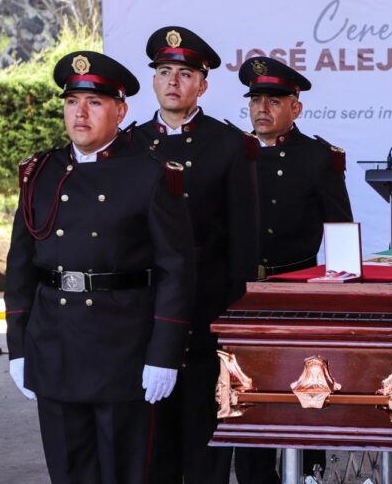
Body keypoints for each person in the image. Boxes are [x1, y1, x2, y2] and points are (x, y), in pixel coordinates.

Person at [4, 50, 195, 484]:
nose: (80, 113)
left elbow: (176, 270)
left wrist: (164, 355)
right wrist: (18, 346)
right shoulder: (41, 172)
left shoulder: (150, 174)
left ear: (120, 109)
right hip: (55, 348)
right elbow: (20, 268)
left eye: (94, 103)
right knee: (69, 473)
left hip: (124, 354)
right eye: (72, 102)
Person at [133, 26, 259, 484]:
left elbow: (244, 246)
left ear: (201, 85)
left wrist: (234, 328)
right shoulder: (130, 144)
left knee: (205, 444)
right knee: (150, 449)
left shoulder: (227, 145)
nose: (173, 82)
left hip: (206, 314)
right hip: (143, 316)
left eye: (184, 74)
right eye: (164, 72)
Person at [228, 56, 353, 483]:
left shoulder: (318, 158)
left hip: (297, 294)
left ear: (295, 108)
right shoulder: (231, 153)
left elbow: (338, 236)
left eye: (274, 101)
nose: (262, 108)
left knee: (307, 397)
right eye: (256, 100)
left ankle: (308, 478)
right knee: (246, 399)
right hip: (239, 295)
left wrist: (336, 302)